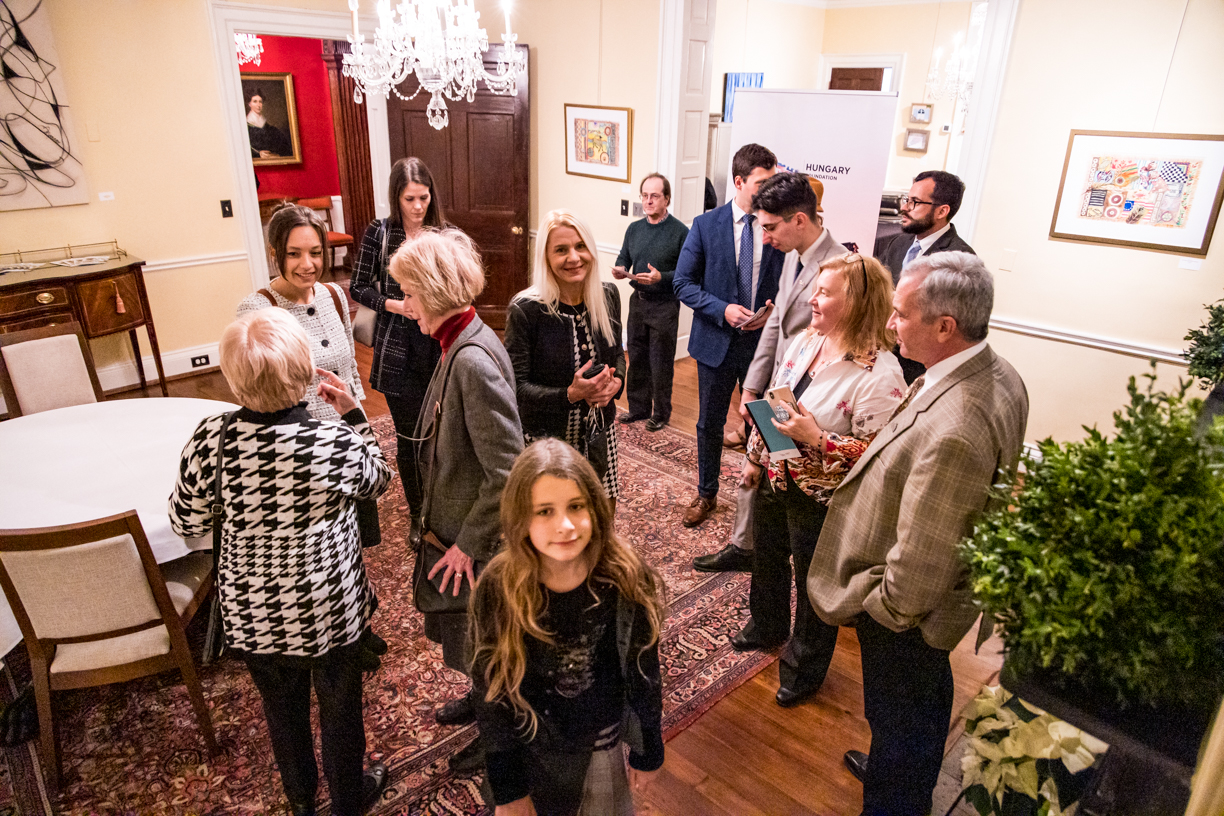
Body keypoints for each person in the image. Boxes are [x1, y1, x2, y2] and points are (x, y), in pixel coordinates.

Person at [808, 252, 1028, 816]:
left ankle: (895, 795)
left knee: (902, 711)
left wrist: (879, 608)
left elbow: (922, 563)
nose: (890, 324)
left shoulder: (958, 426)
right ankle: (895, 768)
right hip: (930, 606)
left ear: (945, 326)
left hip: (907, 617)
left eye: (902, 315)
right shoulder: (997, 371)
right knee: (914, 711)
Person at [169, 308, 391, 816]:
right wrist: (354, 414)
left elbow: (185, 521)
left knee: (281, 710)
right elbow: (379, 479)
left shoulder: (211, 440)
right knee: (340, 709)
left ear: (232, 378)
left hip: (252, 611)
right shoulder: (331, 441)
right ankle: (348, 799)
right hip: (329, 605)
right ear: (306, 371)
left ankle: (300, 799)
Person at [731, 253, 904, 712]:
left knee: (813, 584)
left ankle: (803, 669)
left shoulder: (881, 373)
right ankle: (766, 626)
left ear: (858, 302)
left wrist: (820, 440)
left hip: (824, 499)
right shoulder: (807, 340)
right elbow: (775, 405)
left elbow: (882, 457)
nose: (813, 299)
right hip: (777, 474)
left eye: (825, 293)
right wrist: (754, 457)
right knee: (768, 557)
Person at [387, 228, 523, 774]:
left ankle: (498, 741)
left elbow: (508, 469)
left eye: (410, 294)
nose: (405, 305)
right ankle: (479, 700)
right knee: (472, 642)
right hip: (459, 529)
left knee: (487, 646)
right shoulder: (459, 338)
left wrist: (468, 544)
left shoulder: (471, 361)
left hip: (476, 542)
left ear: (434, 290)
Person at [470, 438, 666, 816]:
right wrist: (508, 788)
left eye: (576, 506)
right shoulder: (499, 586)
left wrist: (649, 749)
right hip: (529, 748)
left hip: (599, 743)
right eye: (544, 511)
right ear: (520, 518)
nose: (564, 525)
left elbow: (644, 670)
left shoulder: (624, 578)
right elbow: (489, 690)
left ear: (595, 506)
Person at [692, 173, 846, 573]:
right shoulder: (793, 255)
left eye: (771, 227)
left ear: (800, 220)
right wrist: (752, 387)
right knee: (755, 469)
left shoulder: (841, 267)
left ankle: (772, 557)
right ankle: (745, 547)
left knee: (784, 486)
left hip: (808, 399)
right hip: (777, 389)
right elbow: (776, 324)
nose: (764, 238)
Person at [673, 143, 784, 528]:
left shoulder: (777, 224)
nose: (771, 190)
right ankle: (706, 493)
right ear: (739, 182)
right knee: (709, 423)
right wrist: (722, 309)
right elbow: (682, 283)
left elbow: (790, 283)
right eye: (762, 183)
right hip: (715, 342)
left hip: (764, 345)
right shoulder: (706, 225)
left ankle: (768, 497)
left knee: (768, 421)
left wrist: (772, 311)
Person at [350, 158, 445, 533]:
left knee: (441, 436)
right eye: (410, 199)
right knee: (409, 438)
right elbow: (358, 287)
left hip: (438, 344)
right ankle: (417, 514)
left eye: (424, 197)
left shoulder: (445, 233)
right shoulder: (381, 232)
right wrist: (395, 305)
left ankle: (443, 506)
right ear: (396, 198)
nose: (419, 206)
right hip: (396, 348)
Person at [506, 210, 626, 501]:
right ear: (546, 258)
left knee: (599, 518)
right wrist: (570, 395)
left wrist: (617, 383)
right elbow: (516, 389)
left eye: (580, 246)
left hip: (599, 433)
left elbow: (617, 356)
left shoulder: (608, 295)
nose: (574, 257)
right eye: (561, 250)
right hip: (546, 442)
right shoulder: (526, 310)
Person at [237, 204, 364, 423]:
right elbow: (258, 392)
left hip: (348, 430)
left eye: (315, 253)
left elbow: (350, 367)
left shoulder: (334, 295)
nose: (307, 264)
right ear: (274, 252)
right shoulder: (257, 309)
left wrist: (359, 420)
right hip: (299, 434)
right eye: (293, 254)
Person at [873, 170, 976, 384]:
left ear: (942, 211)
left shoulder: (960, 260)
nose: (904, 207)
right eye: (906, 199)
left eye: (915, 202)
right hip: (881, 360)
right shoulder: (898, 243)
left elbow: (944, 328)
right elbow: (877, 292)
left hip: (919, 372)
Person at [612, 173, 689, 432]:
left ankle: (661, 413)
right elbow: (624, 257)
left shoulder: (680, 232)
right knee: (636, 357)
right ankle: (638, 408)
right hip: (638, 302)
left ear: (667, 199)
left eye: (654, 196)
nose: (648, 201)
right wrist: (621, 269)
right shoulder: (634, 229)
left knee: (660, 362)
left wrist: (661, 277)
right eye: (644, 196)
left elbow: (687, 273)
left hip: (664, 304)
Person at [246, 88, 293, 159]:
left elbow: (285, 147)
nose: (258, 105)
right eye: (255, 101)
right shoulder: (246, 126)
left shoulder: (270, 129)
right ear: (249, 104)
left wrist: (277, 155)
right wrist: (258, 154)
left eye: (260, 102)